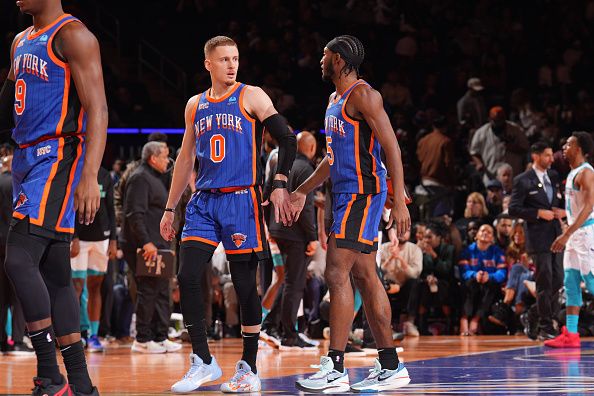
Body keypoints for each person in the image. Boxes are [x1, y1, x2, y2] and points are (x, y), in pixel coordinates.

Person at [160, 36, 296, 393]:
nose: (232, 65)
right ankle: (203, 360)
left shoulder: (252, 95)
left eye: (235, 58)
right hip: (203, 201)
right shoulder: (195, 105)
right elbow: (185, 159)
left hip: (241, 200)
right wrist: (171, 208)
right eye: (224, 59)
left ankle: (249, 367)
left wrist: (280, 181)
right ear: (208, 63)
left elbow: (288, 138)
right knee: (188, 275)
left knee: (245, 287)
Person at [292, 35, 411, 393]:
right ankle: (390, 364)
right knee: (364, 276)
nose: (321, 59)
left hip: (363, 193)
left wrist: (400, 198)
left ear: (341, 60)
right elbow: (332, 158)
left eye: (325, 55)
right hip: (342, 195)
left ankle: (335, 366)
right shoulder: (333, 101)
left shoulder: (364, 95)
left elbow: (391, 145)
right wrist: (302, 190)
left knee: (335, 270)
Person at [0, 1, 106, 394]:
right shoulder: (20, 41)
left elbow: (97, 109)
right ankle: (80, 383)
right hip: (26, 157)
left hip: (58, 155)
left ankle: (49, 371)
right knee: (56, 271)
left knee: (18, 257)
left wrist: (90, 175)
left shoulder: (73, 36)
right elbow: (6, 107)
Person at [123, 142, 180, 355]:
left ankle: (160, 336)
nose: (168, 160)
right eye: (165, 156)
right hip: (143, 244)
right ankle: (142, 339)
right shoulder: (139, 177)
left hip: (158, 244)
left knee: (161, 290)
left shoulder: (156, 178)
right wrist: (146, 242)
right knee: (147, 290)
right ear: (153, 158)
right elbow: (134, 214)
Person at [267, 131, 318, 350]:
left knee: (287, 281)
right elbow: (306, 208)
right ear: (313, 149)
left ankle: (272, 325)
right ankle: (289, 335)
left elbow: (267, 196)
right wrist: (312, 237)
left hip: (277, 228)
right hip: (296, 233)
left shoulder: (282, 165)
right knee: (294, 284)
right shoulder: (307, 169)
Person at [509, 141, 564, 340]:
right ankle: (546, 325)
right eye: (547, 155)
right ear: (535, 156)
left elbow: (558, 202)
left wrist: (562, 212)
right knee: (545, 281)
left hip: (556, 235)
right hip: (538, 238)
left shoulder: (555, 176)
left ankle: (533, 314)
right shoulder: (523, 180)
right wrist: (538, 213)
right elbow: (513, 208)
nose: (551, 159)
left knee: (558, 280)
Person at [546, 132, 594, 348]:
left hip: (584, 234)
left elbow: (589, 206)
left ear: (580, 148)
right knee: (571, 283)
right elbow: (576, 206)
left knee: (591, 282)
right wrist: (563, 214)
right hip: (575, 234)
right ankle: (571, 335)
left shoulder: (586, 173)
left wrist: (567, 233)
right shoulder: (573, 172)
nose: (564, 146)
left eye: (569, 143)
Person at [70, 166, 118, 352]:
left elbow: (111, 209)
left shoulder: (105, 175)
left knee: (95, 287)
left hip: (102, 238)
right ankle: (76, 334)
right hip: (79, 239)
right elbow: (69, 206)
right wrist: (72, 236)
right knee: (76, 287)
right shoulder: (75, 170)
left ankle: (93, 335)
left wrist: (113, 239)